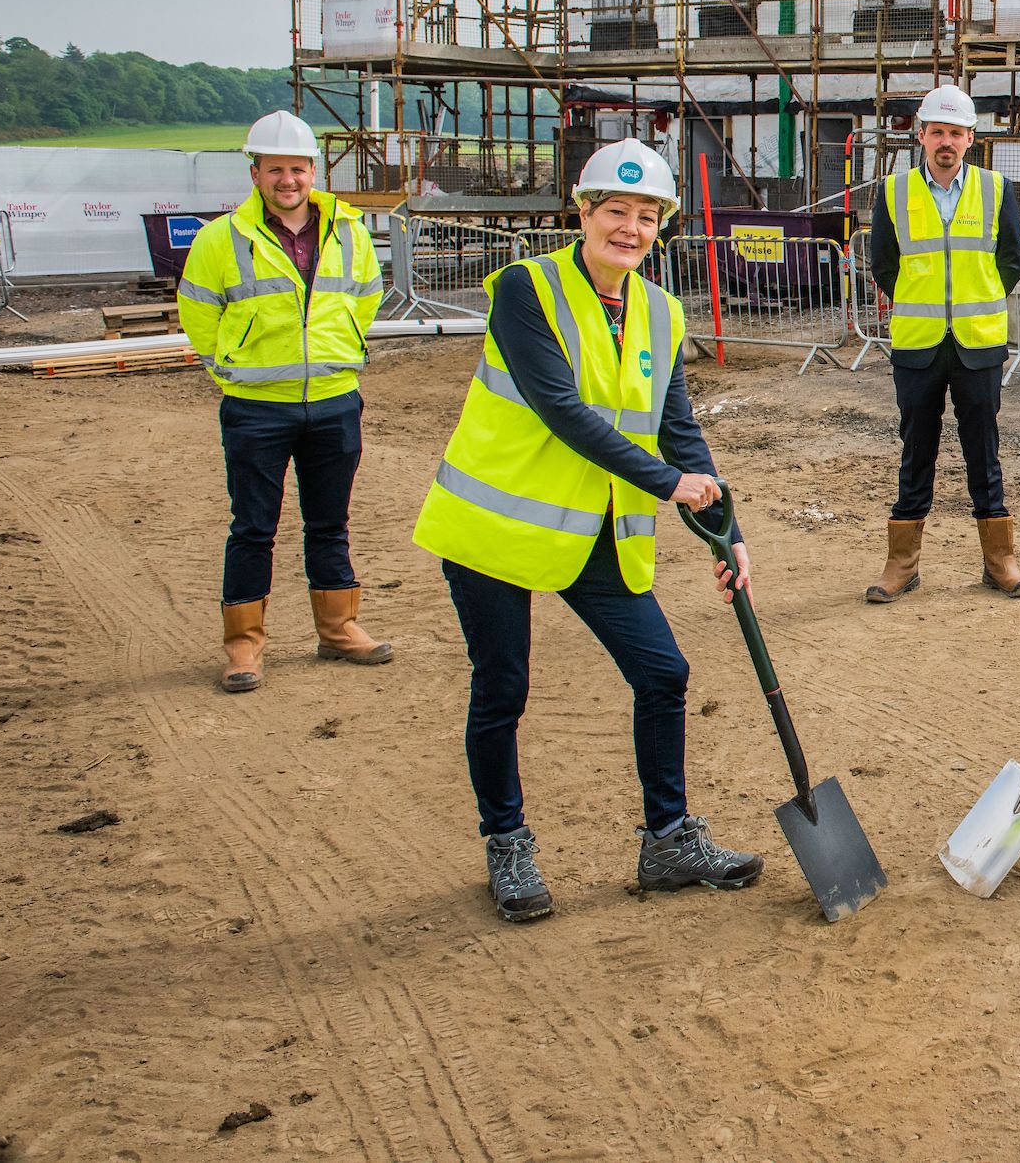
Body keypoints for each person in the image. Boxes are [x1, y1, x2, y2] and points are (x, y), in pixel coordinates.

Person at [411, 138, 764, 923]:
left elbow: (677, 426)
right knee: (503, 686)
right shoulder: (524, 291)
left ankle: (667, 840)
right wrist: (671, 485)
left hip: (597, 529)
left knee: (663, 673)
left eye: (646, 217)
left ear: (661, 228)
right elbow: (560, 411)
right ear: (582, 212)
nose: (630, 229)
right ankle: (507, 842)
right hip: (495, 526)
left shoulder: (663, 313)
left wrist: (720, 524)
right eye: (615, 211)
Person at [178, 111, 389, 694]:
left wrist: (342, 351)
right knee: (252, 527)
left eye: (297, 168)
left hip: (333, 400)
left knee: (330, 523)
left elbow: (366, 296)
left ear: (313, 171)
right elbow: (198, 312)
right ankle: (244, 646)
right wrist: (230, 367)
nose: (287, 179)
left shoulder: (349, 232)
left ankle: (339, 629)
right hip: (255, 408)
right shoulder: (221, 239)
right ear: (255, 173)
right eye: (276, 169)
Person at [865, 83, 1020, 604]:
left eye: (956, 133)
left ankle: (999, 561)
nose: (946, 141)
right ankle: (902, 565)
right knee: (916, 451)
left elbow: (1013, 260)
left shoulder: (996, 188)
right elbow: (884, 265)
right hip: (918, 344)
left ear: (970, 138)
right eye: (937, 131)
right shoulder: (893, 192)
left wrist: (973, 302)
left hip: (977, 344)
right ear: (921, 135)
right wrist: (924, 302)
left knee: (983, 452)